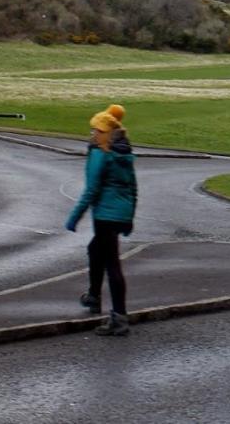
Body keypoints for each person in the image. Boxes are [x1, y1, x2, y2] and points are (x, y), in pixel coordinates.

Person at [65, 103, 137, 337]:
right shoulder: (124, 153)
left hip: (105, 215)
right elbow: (132, 187)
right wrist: (129, 217)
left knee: (112, 264)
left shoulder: (101, 153)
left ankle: (119, 318)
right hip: (119, 214)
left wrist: (74, 217)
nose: (92, 134)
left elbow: (92, 189)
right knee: (96, 250)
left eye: (95, 130)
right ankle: (94, 297)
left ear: (103, 132)